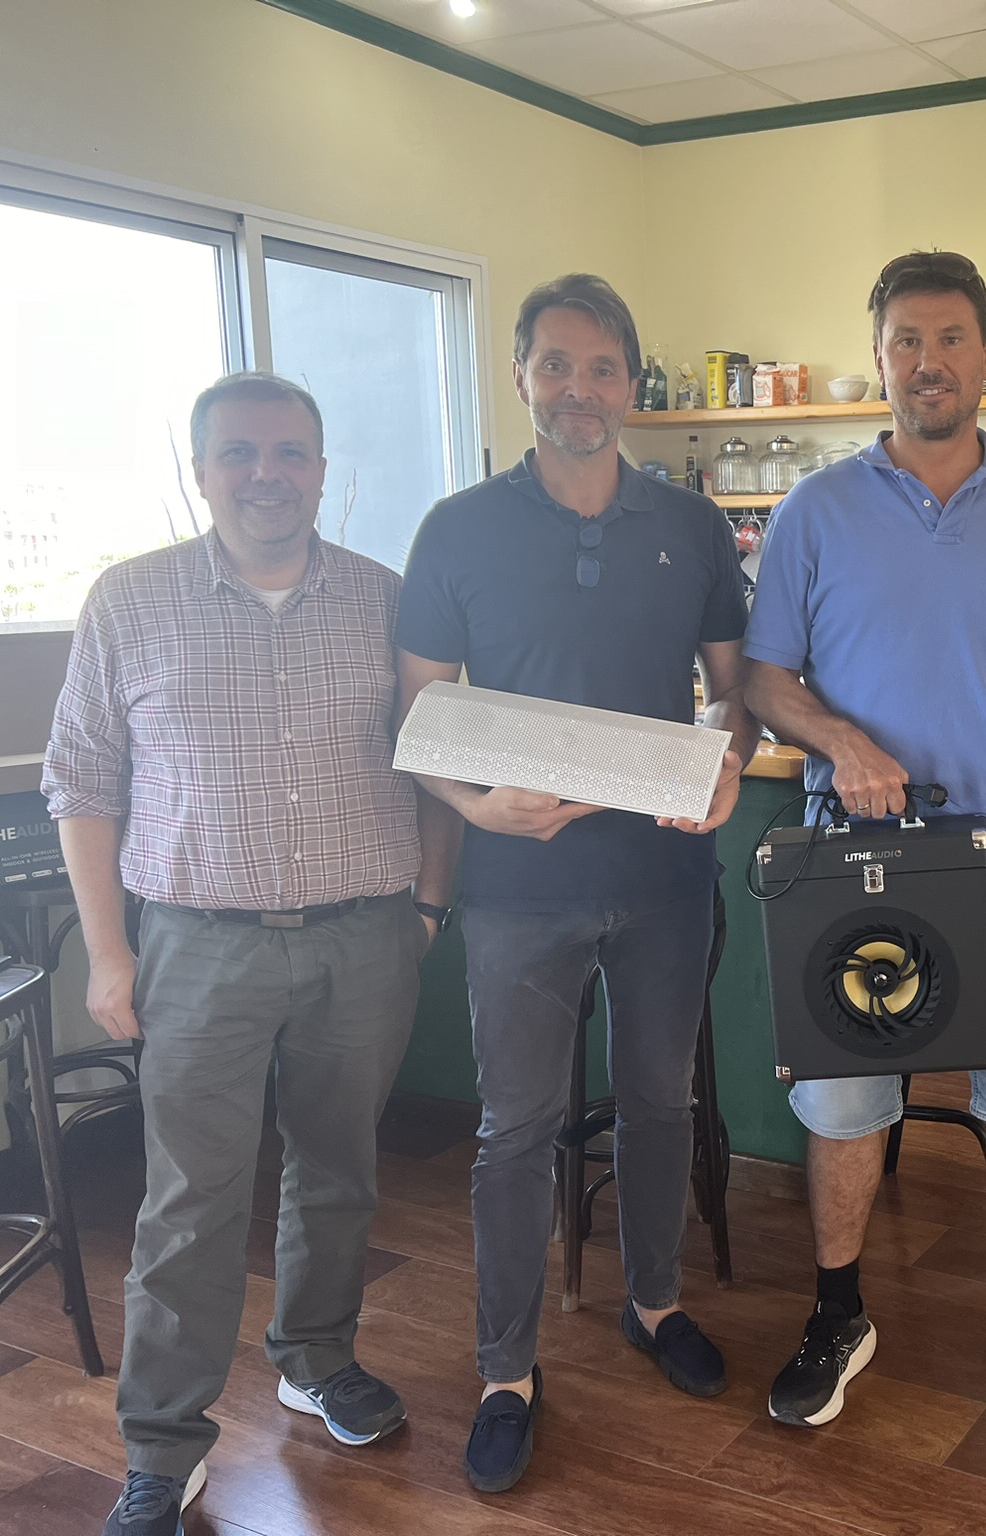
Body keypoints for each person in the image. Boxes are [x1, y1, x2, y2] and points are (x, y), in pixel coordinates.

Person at [46, 373, 441, 1536]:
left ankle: (315, 1358)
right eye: (240, 453)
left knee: (339, 1170)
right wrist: (107, 955)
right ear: (200, 470)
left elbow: (437, 761)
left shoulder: (386, 600)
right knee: (190, 1203)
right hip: (196, 945)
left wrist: (426, 908)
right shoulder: (130, 600)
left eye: (289, 453)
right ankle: (162, 1448)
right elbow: (82, 780)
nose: (266, 474)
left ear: (321, 468)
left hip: (363, 937)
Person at [395, 273, 755, 1495]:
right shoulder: (456, 529)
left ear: (631, 384)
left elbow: (732, 691)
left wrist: (727, 766)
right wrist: (471, 806)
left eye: (601, 367)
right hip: (515, 885)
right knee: (514, 1130)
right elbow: (417, 714)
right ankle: (505, 1372)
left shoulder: (690, 527)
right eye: (555, 364)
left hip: (663, 875)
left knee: (658, 1103)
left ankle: (653, 1305)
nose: (579, 389)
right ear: (520, 377)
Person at [744, 250, 986, 1445]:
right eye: (905, 339)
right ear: (880, 358)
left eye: (950, 337)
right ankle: (836, 1315)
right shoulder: (813, 509)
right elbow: (763, 679)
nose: (928, 361)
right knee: (845, 1102)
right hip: (854, 865)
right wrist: (840, 739)